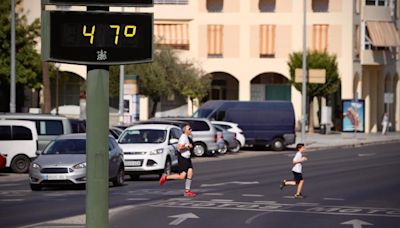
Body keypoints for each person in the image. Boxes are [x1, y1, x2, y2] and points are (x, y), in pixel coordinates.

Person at [159, 123, 197, 197]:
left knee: (190, 173)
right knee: (182, 176)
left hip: (187, 157)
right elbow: (179, 147)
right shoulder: (183, 137)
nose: (191, 130)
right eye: (189, 129)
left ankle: (187, 191)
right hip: (183, 158)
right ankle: (166, 177)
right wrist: (188, 146)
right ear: (185, 130)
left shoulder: (187, 137)